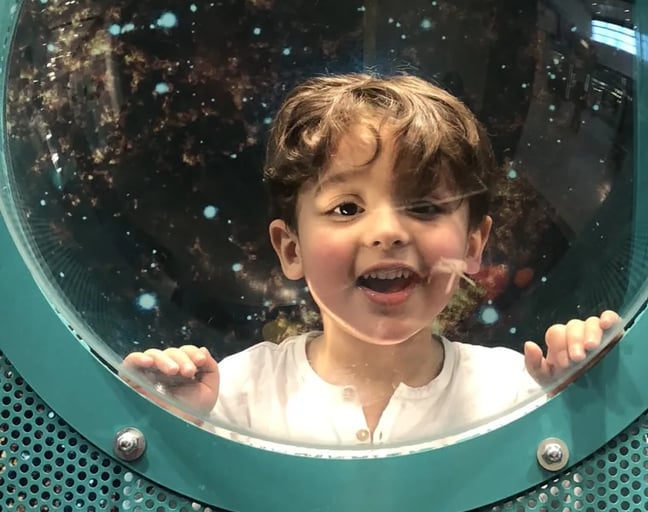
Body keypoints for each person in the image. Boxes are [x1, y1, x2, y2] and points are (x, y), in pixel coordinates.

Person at [124, 73, 619, 446]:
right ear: (291, 249)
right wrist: (176, 431)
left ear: (472, 247)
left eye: (424, 207)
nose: (387, 232)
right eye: (346, 208)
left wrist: (578, 414)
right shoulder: (233, 396)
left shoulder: (516, 391)